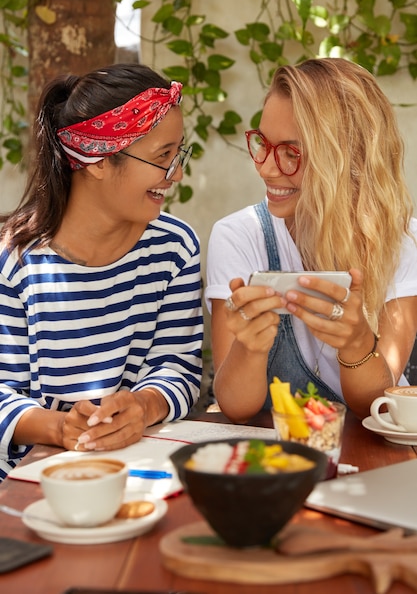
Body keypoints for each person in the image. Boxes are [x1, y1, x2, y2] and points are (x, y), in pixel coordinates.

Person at [0, 63, 203, 481]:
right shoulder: (13, 261)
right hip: (26, 484)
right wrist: (58, 428)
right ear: (97, 160)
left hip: (139, 473)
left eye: (178, 153)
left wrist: (144, 405)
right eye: (162, 156)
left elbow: (177, 365)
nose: (176, 173)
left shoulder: (175, 248)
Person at [205, 57, 417, 423]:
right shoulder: (239, 237)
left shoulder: (401, 241)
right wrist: (250, 348)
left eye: (292, 153)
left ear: (349, 159)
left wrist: (356, 346)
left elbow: (380, 406)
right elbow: (235, 407)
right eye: (262, 143)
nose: (267, 168)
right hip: (274, 464)